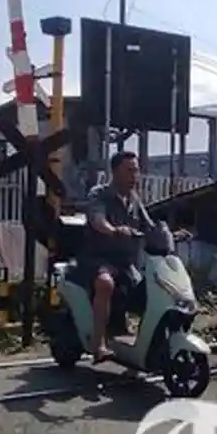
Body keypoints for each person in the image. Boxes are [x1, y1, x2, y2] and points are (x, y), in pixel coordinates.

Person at [81, 151, 159, 363]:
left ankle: (143, 344)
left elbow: (149, 227)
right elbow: (97, 219)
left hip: (125, 264)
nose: (135, 176)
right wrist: (113, 230)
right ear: (115, 172)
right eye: (129, 171)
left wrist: (172, 234)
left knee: (153, 289)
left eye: (136, 171)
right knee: (105, 284)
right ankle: (98, 346)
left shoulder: (134, 200)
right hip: (98, 261)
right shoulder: (99, 194)